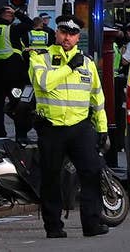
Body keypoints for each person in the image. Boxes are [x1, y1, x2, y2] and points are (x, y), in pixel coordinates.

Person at [28, 14, 110, 238]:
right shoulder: (40, 58)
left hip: (80, 127)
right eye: (63, 32)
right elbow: (44, 84)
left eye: (72, 34)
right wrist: (69, 68)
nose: (67, 38)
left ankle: (92, 224)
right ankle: (53, 226)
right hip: (51, 127)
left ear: (77, 37)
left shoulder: (87, 63)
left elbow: (97, 97)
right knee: (51, 177)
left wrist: (102, 128)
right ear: (56, 33)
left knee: (92, 172)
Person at [0, 6, 31, 138]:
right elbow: (30, 24)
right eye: (11, 15)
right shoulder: (11, 29)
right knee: (18, 104)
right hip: (13, 74)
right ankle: (20, 135)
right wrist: (17, 12)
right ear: (7, 15)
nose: (13, 17)